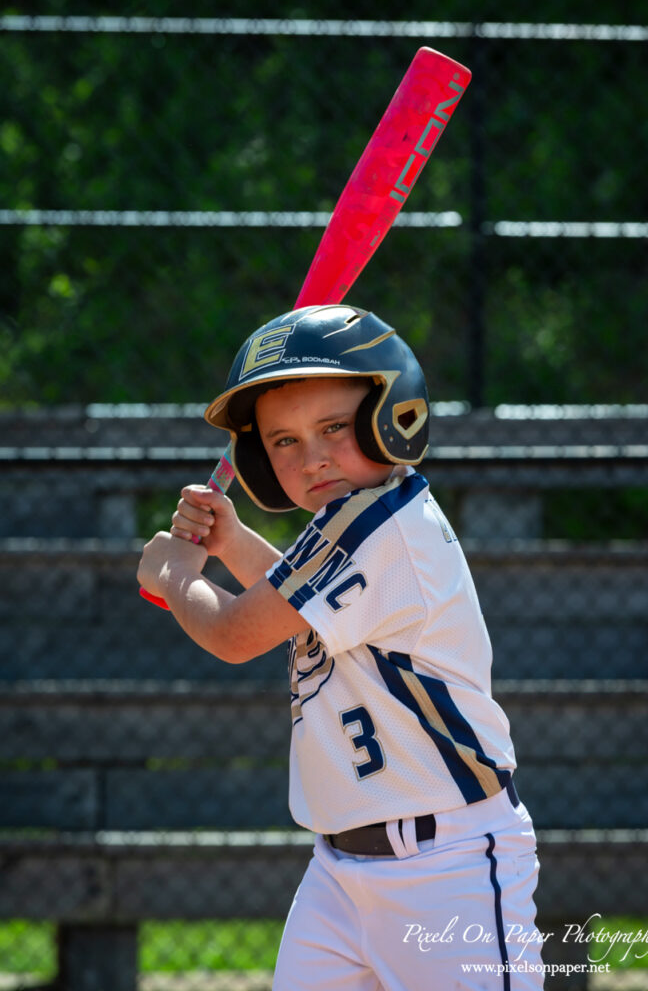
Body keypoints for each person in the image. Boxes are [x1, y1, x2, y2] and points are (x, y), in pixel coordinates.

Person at [137, 303, 544, 990]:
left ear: (392, 413)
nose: (312, 457)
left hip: (445, 869)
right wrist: (231, 542)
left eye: (332, 427)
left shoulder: (376, 523)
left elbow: (239, 632)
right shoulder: (354, 519)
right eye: (284, 441)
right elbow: (292, 611)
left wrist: (174, 575)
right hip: (339, 873)